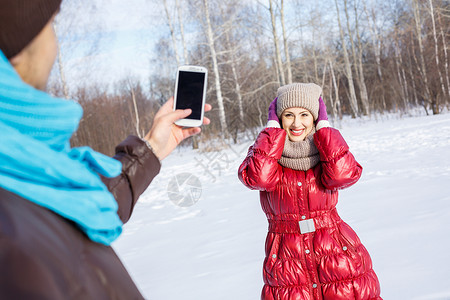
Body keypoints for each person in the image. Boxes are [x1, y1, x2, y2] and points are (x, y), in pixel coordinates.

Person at [0, 0, 211, 299]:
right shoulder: (13, 241)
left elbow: (82, 200)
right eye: (51, 26)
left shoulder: (29, 169)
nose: (55, 43)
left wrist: (151, 147)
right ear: (19, 46)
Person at [238, 83, 382, 299]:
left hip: (335, 256)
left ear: (315, 117)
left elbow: (344, 175)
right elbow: (257, 178)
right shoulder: (268, 154)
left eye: (305, 114)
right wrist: (271, 132)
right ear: (278, 119)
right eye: (288, 115)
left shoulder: (325, 151)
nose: (297, 123)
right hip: (288, 263)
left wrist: (324, 130)